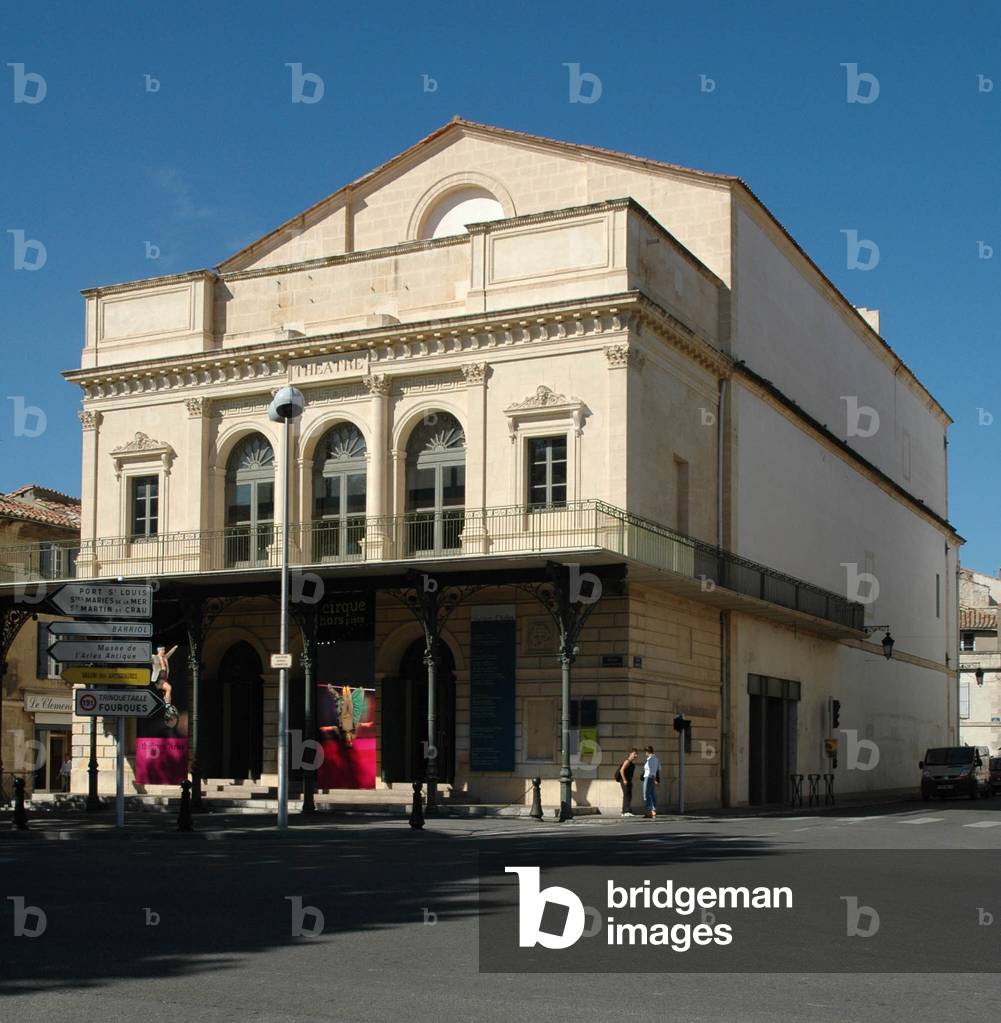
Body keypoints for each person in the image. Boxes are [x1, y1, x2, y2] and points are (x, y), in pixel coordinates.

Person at [151, 644, 178, 709]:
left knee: (167, 692)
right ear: (159, 650)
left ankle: (168, 707)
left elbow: (170, 653)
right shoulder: (154, 657)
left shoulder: (165, 657)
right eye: (162, 650)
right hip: (158, 678)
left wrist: (175, 647)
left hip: (164, 678)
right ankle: (168, 705)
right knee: (169, 688)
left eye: (164, 649)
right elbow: (148, 658)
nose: (164, 651)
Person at [617, 748, 638, 816]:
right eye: (634, 754)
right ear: (630, 754)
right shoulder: (627, 761)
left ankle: (625, 811)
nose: (636, 755)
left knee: (628, 795)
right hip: (625, 781)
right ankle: (626, 811)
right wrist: (624, 780)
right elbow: (621, 770)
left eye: (636, 754)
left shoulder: (631, 762)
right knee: (627, 795)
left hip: (628, 780)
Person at [642, 745, 661, 819]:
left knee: (646, 794)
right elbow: (658, 768)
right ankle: (653, 810)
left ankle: (649, 811)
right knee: (651, 794)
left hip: (649, 777)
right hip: (651, 777)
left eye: (645, 752)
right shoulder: (656, 758)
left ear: (647, 752)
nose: (645, 754)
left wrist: (653, 777)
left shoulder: (651, 759)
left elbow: (652, 769)